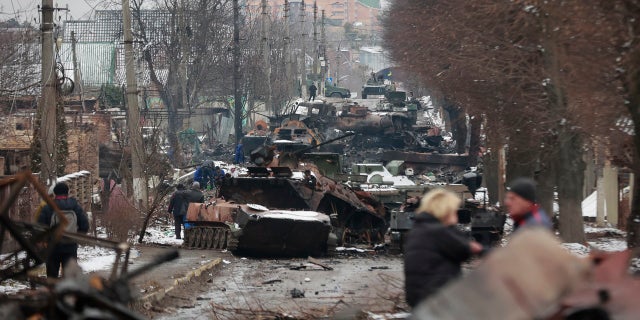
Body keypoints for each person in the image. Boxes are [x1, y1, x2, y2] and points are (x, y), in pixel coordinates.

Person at [404, 188, 483, 308]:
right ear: (445, 211)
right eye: (454, 210)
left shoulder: (419, 229)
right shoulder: (437, 231)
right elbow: (463, 250)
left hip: (422, 298)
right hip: (437, 299)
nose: (456, 214)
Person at [38, 182, 90, 278]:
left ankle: (52, 292)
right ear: (68, 192)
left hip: (52, 248)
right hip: (70, 247)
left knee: (52, 277)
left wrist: (45, 241)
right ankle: (67, 292)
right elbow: (85, 225)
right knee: (69, 278)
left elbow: (40, 228)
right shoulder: (75, 207)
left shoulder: (48, 207)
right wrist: (76, 237)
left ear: (54, 193)